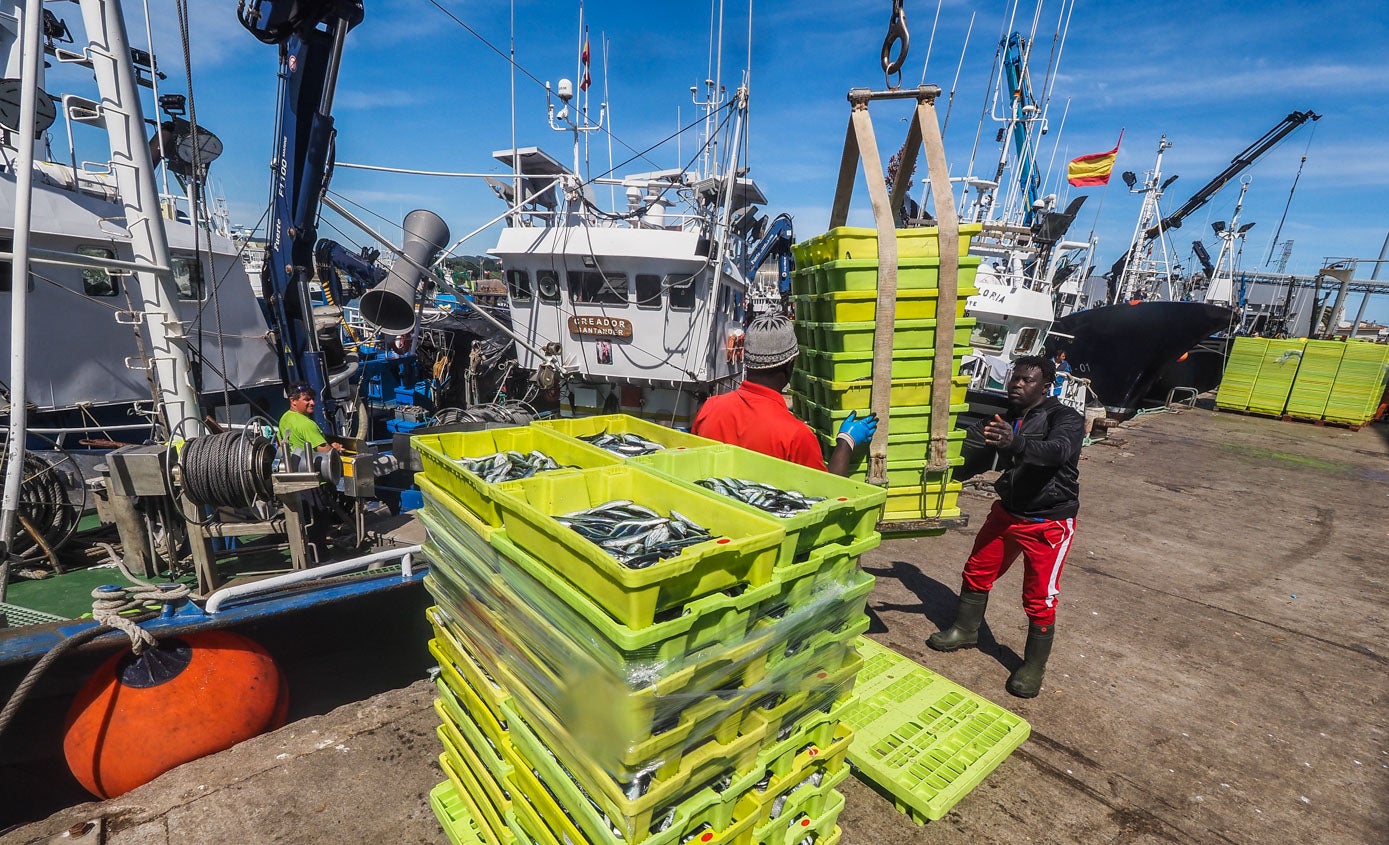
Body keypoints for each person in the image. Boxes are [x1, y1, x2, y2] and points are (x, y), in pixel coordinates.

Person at [927, 354, 1083, 698]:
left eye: (1027, 380)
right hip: (1007, 512)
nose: (1017, 384)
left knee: (1040, 597)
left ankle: (1033, 666)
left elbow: (1058, 452)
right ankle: (966, 629)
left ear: (1046, 386)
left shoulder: (1067, 418)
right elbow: (972, 453)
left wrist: (1016, 443)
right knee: (977, 570)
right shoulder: (1007, 417)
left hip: (1048, 521)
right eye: (1015, 378)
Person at [692, 313, 875, 476]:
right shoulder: (796, 436)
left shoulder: (709, 408)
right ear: (789, 366)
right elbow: (827, 495)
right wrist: (846, 442)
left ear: (747, 361)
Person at [279, 383, 344, 454]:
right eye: (307, 399)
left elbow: (279, 442)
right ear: (293, 401)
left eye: (313, 399)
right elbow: (326, 452)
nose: (312, 403)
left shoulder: (284, 418)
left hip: (293, 463)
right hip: (309, 464)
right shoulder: (306, 424)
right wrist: (335, 448)